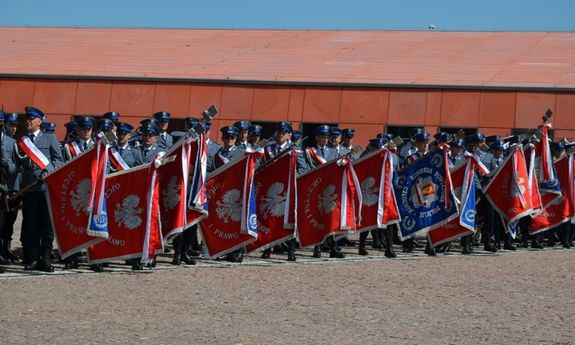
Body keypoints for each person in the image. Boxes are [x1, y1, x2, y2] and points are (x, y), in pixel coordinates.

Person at [14, 106, 63, 272]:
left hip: (46, 189)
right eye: (26, 119)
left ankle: (46, 259)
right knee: (31, 226)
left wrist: (48, 170)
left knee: (46, 227)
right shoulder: (22, 141)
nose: (27, 121)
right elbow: (18, 165)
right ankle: (33, 259)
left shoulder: (49, 138)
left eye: (31, 119)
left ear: (39, 121)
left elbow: (59, 160)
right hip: (29, 189)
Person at [297, 124, 344, 258]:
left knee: (332, 218)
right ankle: (317, 248)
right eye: (322, 137)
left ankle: (333, 248)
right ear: (317, 138)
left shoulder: (333, 152)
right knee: (318, 219)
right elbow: (305, 170)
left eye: (326, 137)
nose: (325, 140)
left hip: (331, 189)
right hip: (317, 190)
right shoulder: (309, 151)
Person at [208, 126, 246, 262]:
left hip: (237, 193)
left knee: (236, 223)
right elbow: (210, 171)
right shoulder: (217, 154)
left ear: (236, 139)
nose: (230, 140)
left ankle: (238, 252)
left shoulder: (241, 153)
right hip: (221, 194)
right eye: (227, 137)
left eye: (232, 137)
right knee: (224, 225)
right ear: (222, 138)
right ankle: (225, 250)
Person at [357, 138, 397, 258]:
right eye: (377, 148)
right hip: (370, 193)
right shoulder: (366, 157)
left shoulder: (386, 157)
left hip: (385, 192)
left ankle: (389, 248)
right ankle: (362, 246)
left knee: (389, 220)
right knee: (368, 219)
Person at [0, 110, 18, 271]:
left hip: (4, 189)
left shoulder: (11, 143)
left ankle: (3, 249)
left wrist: (6, 161)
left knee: (4, 223)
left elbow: (14, 169)